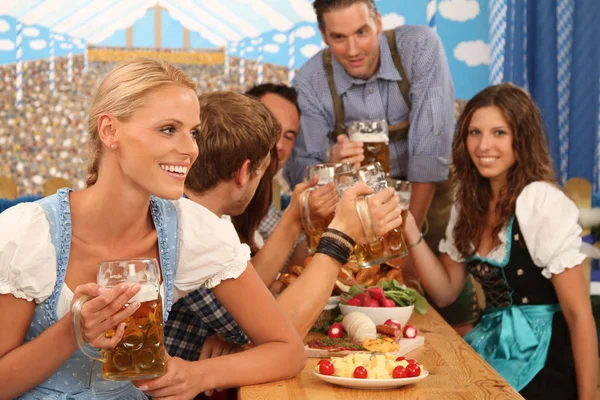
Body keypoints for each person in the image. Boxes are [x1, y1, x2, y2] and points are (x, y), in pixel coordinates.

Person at [0, 58, 306, 400]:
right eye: (168, 129)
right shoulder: (28, 233)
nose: (191, 149)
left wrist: (196, 375)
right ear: (109, 131)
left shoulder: (190, 230)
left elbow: (288, 350)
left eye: (193, 133)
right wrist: (76, 330)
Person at [165, 91, 403, 367]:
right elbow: (278, 334)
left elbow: (248, 290)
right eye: (263, 170)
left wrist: (295, 218)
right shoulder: (194, 227)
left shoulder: (196, 211)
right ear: (244, 172)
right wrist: (341, 236)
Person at [283, 0, 480, 332]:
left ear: (378, 21)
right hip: (355, 204)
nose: (353, 48)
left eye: (362, 32)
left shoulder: (419, 47)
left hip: (426, 196)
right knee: (361, 309)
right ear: (323, 34)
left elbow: (429, 156)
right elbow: (299, 171)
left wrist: (402, 249)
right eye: (339, 37)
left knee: (445, 309)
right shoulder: (311, 79)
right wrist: (333, 160)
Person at [401, 83, 597, 398]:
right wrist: (410, 232)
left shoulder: (540, 200)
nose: (483, 145)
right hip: (491, 343)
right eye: (474, 132)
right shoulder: (468, 203)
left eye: (499, 133)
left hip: (543, 355)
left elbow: (579, 314)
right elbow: (445, 292)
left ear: (522, 139)